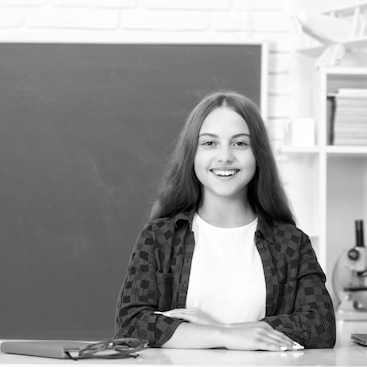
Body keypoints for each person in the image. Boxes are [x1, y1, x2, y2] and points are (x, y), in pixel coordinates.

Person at [115, 90, 336, 351]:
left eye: (240, 143)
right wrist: (224, 335)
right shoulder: (159, 237)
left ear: (258, 155)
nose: (224, 156)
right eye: (209, 143)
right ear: (192, 155)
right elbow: (130, 325)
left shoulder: (291, 242)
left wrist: (221, 328)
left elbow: (321, 327)